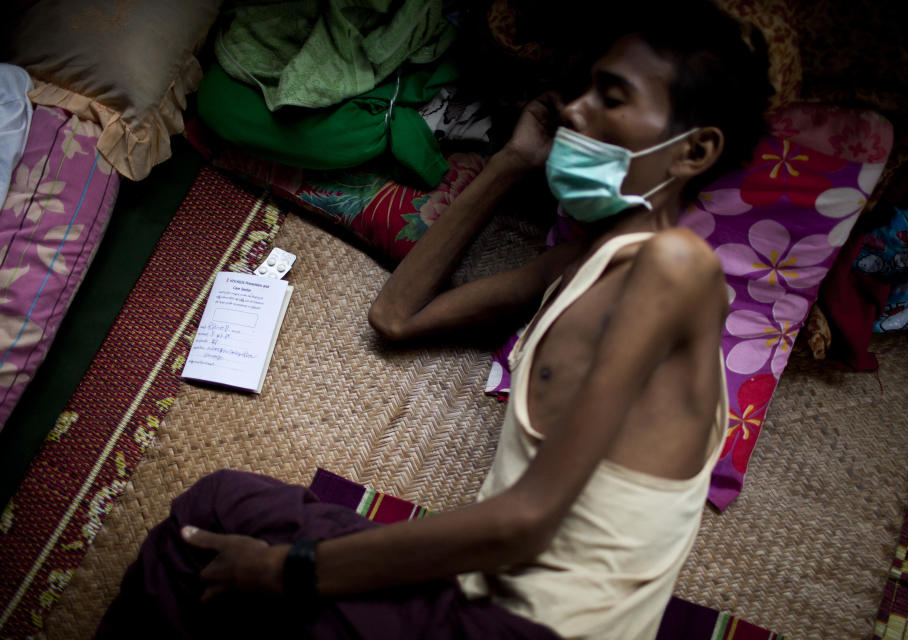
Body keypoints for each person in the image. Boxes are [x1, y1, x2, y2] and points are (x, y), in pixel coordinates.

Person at [97, 4, 771, 639]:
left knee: (202, 542)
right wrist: (510, 163)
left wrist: (291, 571)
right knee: (224, 512)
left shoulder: (676, 266)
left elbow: (526, 523)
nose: (573, 108)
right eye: (583, 89)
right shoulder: (581, 264)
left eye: (612, 96)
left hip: (526, 627)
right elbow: (396, 315)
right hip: (488, 591)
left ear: (693, 151)